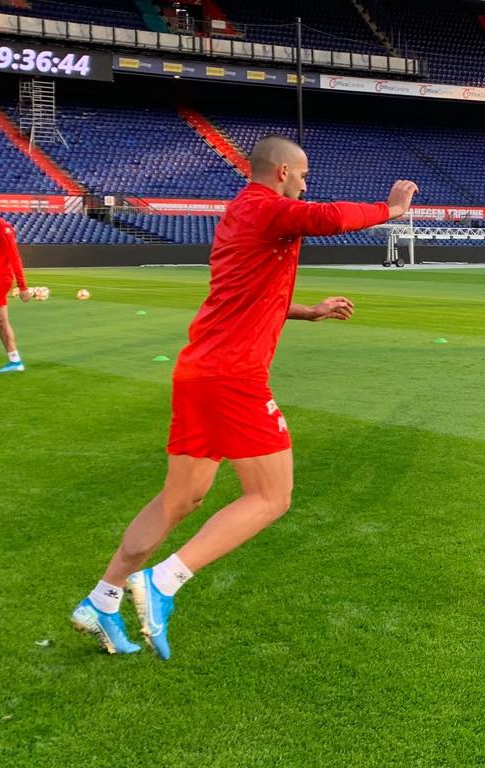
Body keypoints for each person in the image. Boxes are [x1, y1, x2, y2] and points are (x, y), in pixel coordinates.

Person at [71, 136, 418, 659]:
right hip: (233, 377)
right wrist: (389, 210)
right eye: (303, 175)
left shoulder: (241, 213)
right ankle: (163, 582)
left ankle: (102, 598)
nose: (306, 184)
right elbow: (328, 218)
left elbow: (250, 294)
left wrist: (309, 311)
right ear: (281, 173)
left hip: (199, 372)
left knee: (180, 499)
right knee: (272, 497)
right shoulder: (266, 207)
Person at [0, 193, 31, 374]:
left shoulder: (3, 228)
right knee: (0, 321)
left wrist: (22, 286)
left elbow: (14, 257)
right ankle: (15, 361)